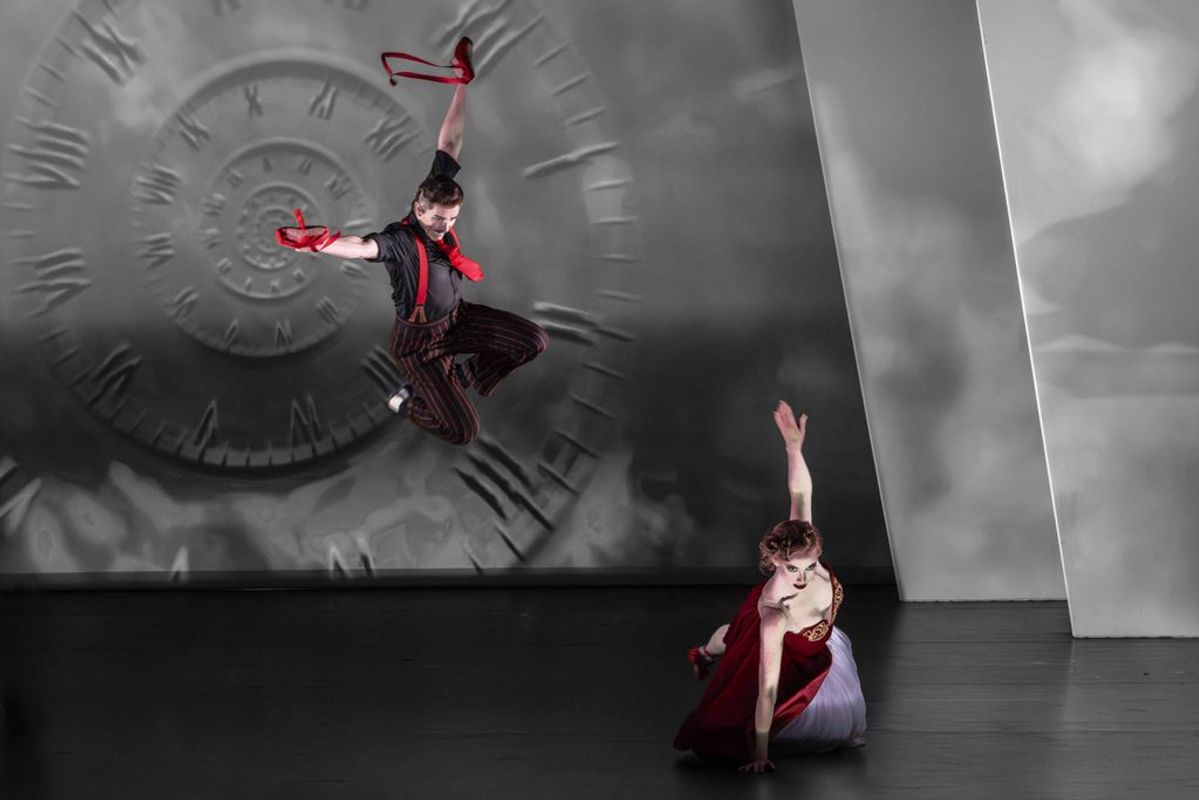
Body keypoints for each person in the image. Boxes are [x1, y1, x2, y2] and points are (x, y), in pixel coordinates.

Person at [279, 37, 548, 445]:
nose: (445, 225)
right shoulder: (401, 239)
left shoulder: (438, 190)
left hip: (458, 320)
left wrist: (462, 85)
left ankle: (459, 376)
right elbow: (363, 247)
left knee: (533, 341)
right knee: (463, 431)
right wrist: (320, 243)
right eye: (439, 218)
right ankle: (404, 402)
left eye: (453, 218)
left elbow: (450, 142)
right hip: (419, 343)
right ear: (419, 209)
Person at [674, 401, 867, 772]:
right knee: (734, 639)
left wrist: (793, 449)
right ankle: (702, 652)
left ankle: (702, 652)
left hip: (811, 641)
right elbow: (767, 690)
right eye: (793, 568)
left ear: (815, 550)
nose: (804, 576)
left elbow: (800, 495)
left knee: (733, 635)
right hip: (778, 624)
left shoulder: (801, 540)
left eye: (811, 566)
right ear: (777, 561)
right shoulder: (774, 617)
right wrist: (760, 753)